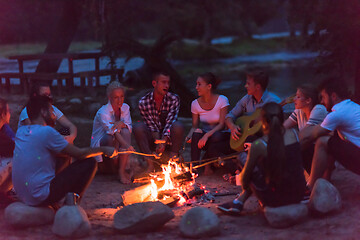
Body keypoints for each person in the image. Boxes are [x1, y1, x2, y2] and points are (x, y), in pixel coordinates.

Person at [12, 95, 116, 207]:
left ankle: (57, 203)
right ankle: (71, 206)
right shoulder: (46, 132)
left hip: (23, 195)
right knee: (90, 163)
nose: (54, 115)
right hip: (39, 196)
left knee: (64, 156)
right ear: (43, 112)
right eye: (51, 110)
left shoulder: (21, 131)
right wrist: (103, 149)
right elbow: (79, 154)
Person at [218, 102, 306, 214]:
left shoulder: (259, 144)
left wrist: (253, 157)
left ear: (263, 122)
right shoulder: (295, 133)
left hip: (275, 199)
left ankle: (239, 201)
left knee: (243, 157)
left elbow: (245, 180)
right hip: (298, 194)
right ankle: (238, 202)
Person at [301, 78, 360, 189]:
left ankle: (310, 187)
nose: (322, 102)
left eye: (323, 97)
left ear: (333, 96)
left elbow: (309, 135)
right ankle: (325, 180)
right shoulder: (353, 106)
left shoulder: (337, 114)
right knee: (332, 137)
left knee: (322, 142)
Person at [133, 71, 185, 172]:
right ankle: (150, 164)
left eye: (168, 83)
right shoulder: (143, 102)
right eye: (163, 82)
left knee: (178, 126)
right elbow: (151, 125)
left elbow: (171, 121)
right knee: (138, 127)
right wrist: (158, 143)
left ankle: (173, 161)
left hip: (169, 138)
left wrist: (163, 141)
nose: (167, 85)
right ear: (154, 84)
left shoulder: (174, 99)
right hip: (153, 138)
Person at [185, 73, 230, 175]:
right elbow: (194, 126)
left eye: (199, 84)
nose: (196, 87)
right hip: (206, 137)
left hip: (221, 135)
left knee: (215, 137)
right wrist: (188, 136)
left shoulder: (222, 100)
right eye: (196, 84)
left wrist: (206, 135)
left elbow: (222, 124)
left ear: (209, 86)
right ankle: (194, 167)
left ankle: (207, 165)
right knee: (196, 133)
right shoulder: (195, 104)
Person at [91, 81, 134, 184]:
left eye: (122, 96)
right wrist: (127, 145)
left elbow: (129, 125)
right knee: (109, 138)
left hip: (118, 139)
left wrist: (122, 124)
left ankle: (121, 171)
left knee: (126, 132)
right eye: (116, 97)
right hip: (103, 140)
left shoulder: (125, 108)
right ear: (109, 97)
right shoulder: (103, 112)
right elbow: (112, 131)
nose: (120, 101)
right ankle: (109, 167)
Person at [225, 70, 281, 142]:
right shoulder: (247, 99)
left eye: (248, 83)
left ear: (257, 87)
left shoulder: (274, 101)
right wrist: (232, 127)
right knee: (215, 141)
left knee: (250, 139)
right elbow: (230, 115)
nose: (245, 86)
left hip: (263, 139)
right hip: (242, 136)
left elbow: (276, 129)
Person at [283, 85, 328, 174]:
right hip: (309, 148)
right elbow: (282, 128)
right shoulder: (299, 111)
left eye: (298, 97)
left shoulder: (319, 109)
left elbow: (306, 136)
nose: (294, 99)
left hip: (321, 150)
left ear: (308, 100)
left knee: (296, 149)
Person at [0, 98, 15, 195]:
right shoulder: (4, 141)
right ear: (3, 115)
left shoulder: (5, 129)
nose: (10, 113)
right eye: (9, 111)